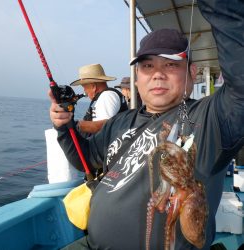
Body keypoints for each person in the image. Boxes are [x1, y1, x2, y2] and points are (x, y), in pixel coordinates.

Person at [49, 0, 244, 249]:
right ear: (138, 77)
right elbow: (85, 159)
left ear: (192, 73)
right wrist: (64, 128)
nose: (157, 73)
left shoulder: (208, 120)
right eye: (148, 65)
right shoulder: (120, 122)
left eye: (171, 64)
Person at [70, 63, 128, 138]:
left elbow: (105, 126)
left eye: (84, 87)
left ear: (93, 86)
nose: (85, 91)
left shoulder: (107, 96)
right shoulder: (104, 96)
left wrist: (74, 125)